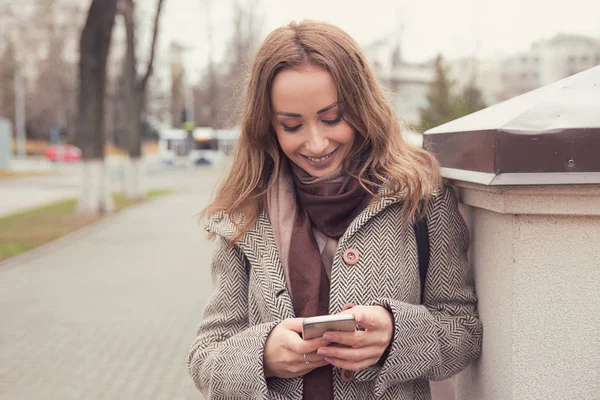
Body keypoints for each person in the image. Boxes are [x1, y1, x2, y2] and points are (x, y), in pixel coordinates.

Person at [187, 20, 482, 400]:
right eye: (292, 125)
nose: (315, 142)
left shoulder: (421, 196)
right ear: (268, 127)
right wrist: (262, 355)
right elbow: (204, 357)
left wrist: (396, 335)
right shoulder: (246, 214)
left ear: (362, 107)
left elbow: (463, 332)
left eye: (332, 119)